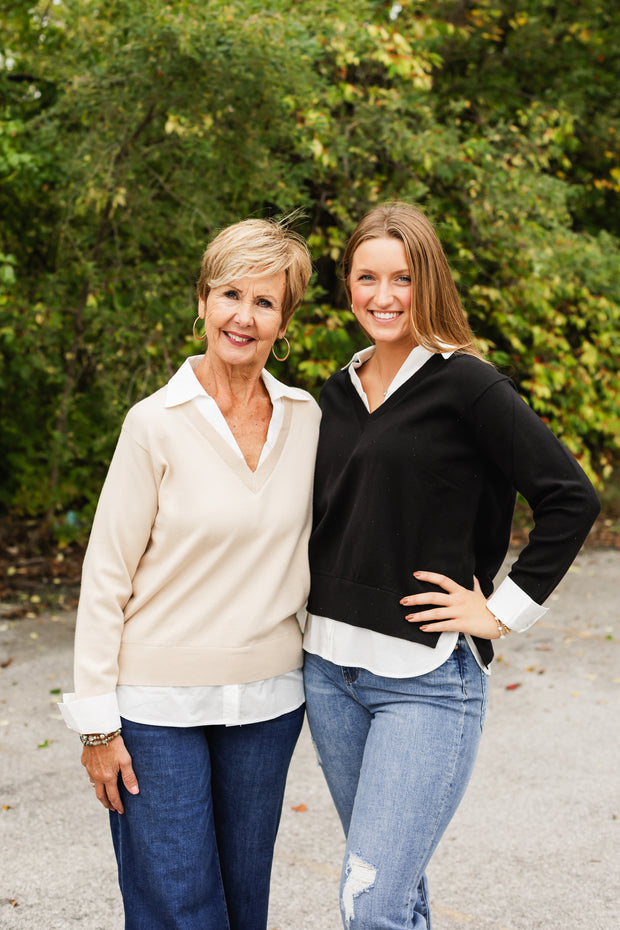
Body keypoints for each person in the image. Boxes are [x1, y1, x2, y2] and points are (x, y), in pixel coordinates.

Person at [303, 202, 600, 930]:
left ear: (427, 282)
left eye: (401, 278)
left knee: (369, 904)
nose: (383, 295)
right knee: (392, 892)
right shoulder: (331, 397)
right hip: (328, 677)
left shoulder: (466, 385)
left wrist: (500, 611)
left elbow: (571, 498)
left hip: (425, 683)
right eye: (366, 277)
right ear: (347, 285)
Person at [59, 217, 320, 930]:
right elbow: (106, 573)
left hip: (268, 703)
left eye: (264, 302)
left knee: (243, 904)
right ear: (201, 301)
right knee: (177, 906)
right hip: (155, 708)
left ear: (284, 320)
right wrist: (95, 727)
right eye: (229, 293)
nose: (244, 315)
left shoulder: (308, 419)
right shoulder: (155, 424)